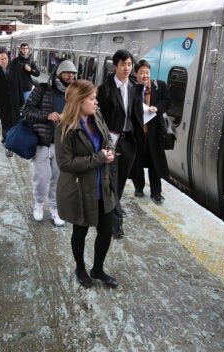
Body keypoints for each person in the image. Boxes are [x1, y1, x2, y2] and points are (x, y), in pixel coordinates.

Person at [55, 80, 119, 289]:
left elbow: (107, 138)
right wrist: (98, 158)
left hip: (103, 186)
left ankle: (97, 269)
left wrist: (108, 151)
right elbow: (65, 163)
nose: (96, 102)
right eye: (92, 98)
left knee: (106, 230)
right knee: (80, 231)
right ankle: (80, 268)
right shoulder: (65, 127)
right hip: (80, 189)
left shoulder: (96, 115)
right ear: (79, 101)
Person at [21, 60, 77, 226]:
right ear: (58, 73)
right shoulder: (43, 89)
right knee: (41, 178)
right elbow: (27, 110)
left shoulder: (74, 93)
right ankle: (38, 204)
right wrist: (46, 116)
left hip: (62, 144)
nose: (71, 76)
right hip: (43, 142)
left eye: (73, 73)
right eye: (67, 72)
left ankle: (55, 208)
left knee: (58, 179)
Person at [97, 49, 145, 239]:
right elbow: (99, 118)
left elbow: (137, 115)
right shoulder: (105, 89)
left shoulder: (134, 87)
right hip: (111, 142)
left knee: (121, 181)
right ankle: (116, 224)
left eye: (129, 64)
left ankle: (112, 209)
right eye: (123, 64)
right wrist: (105, 144)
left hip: (129, 142)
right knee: (112, 181)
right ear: (115, 66)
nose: (127, 68)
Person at [129, 60, 171, 203]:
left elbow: (167, 102)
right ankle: (139, 188)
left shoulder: (160, 86)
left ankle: (156, 193)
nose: (145, 76)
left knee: (155, 163)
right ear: (136, 74)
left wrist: (156, 108)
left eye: (147, 72)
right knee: (137, 162)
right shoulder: (132, 89)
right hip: (138, 133)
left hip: (154, 134)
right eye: (142, 73)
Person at [0, 50, 24, 153]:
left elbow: (20, 86)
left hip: (15, 101)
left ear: (8, 59)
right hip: (2, 103)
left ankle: (16, 141)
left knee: (16, 121)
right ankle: (7, 142)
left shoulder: (15, 69)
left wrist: (22, 101)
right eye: (2, 59)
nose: (4, 61)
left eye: (5, 59)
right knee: (5, 123)